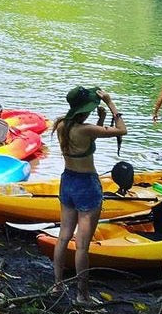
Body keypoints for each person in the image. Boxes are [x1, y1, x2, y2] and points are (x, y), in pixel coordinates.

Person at [51, 86, 127, 305]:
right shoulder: (86, 129)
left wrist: (100, 120)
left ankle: (57, 285)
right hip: (86, 185)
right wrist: (110, 103)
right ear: (85, 110)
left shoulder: (62, 125)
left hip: (67, 181)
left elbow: (88, 140)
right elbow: (122, 130)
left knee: (63, 236)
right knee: (82, 245)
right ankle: (82, 295)